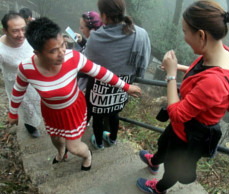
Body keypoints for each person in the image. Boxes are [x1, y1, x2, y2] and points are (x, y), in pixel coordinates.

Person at [137, 1, 229, 194]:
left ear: (202, 35)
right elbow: (205, 73)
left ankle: (159, 188)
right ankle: (154, 162)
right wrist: (180, 68)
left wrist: (171, 75)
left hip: (188, 134)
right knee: (164, 143)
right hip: (182, 126)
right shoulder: (223, 53)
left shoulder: (214, 83)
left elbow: (177, 113)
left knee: (173, 167)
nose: (184, 37)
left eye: (186, 31)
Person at [9, 17, 141, 169]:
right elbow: (18, 90)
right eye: (53, 50)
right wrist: (13, 113)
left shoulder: (74, 58)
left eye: (63, 45)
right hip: (51, 112)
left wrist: (125, 86)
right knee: (56, 139)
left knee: (74, 147)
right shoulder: (26, 69)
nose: (62, 53)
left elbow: (100, 72)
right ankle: (60, 152)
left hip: (73, 110)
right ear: (37, 53)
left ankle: (87, 156)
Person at [84, 0, 151, 150]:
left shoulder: (95, 38)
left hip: (99, 88)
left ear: (104, 15)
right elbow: (142, 63)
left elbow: (86, 64)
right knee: (115, 113)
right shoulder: (140, 35)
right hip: (123, 87)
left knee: (98, 117)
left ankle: (99, 143)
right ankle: (113, 139)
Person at [0, 12, 42, 138]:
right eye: (15, 31)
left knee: (41, 103)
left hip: (35, 79)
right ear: (5, 31)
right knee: (27, 110)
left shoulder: (28, 37)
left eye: (23, 29)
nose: (21, 35)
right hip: (17, 87)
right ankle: (30, 127)